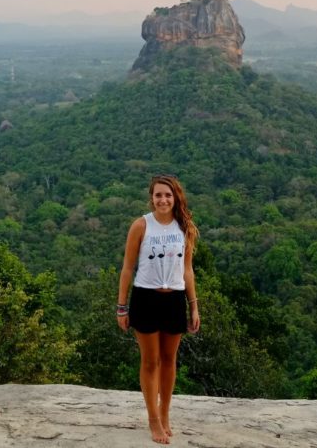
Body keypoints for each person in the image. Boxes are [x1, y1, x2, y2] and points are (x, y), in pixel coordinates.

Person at [117, 174, 200, 445]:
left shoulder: (184, 227)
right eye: (158, 195)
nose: (163, 199)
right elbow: (128, 268)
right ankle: (153, 419)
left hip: (174, 299)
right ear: (151, 198)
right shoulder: (141, 226)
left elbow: (187, 270)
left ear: (175, 198)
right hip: (145, 299)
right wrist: (122, 307)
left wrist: (193, 306)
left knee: (169, 361)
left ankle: (165, 414)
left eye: (168, 195)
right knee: (150, 361)